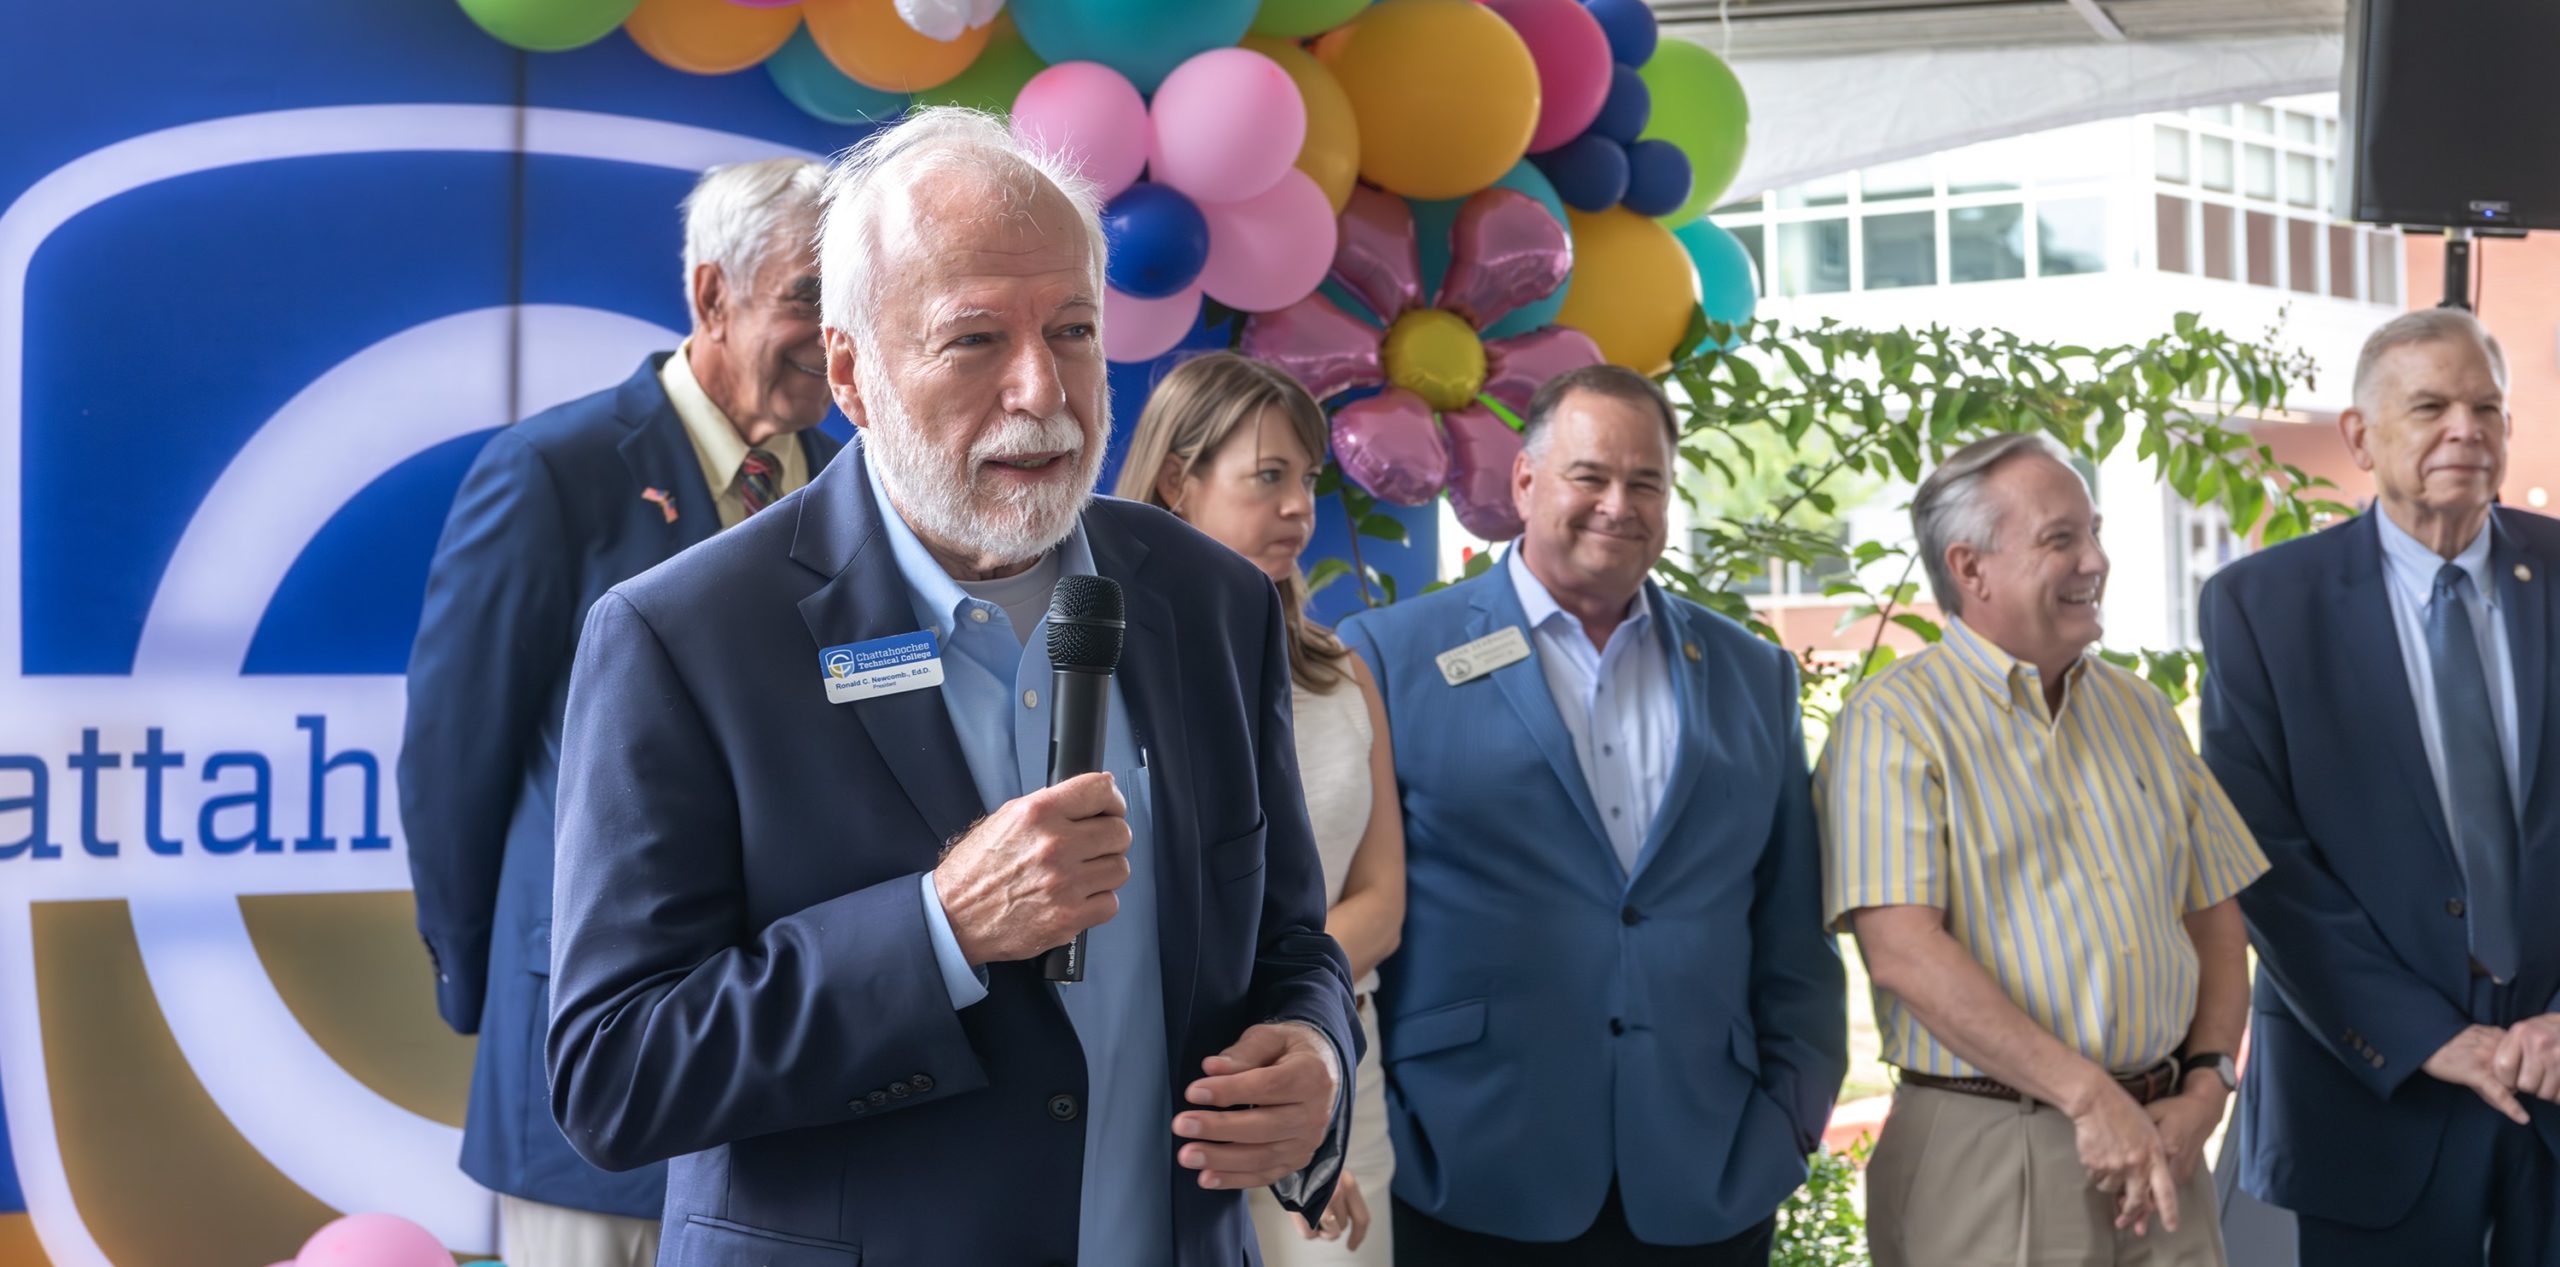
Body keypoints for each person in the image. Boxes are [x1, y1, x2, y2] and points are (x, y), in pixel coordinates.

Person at [542, 107, 1357, 1266]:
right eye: (974, 339)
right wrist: (939, 931)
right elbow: (615, 1072)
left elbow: (1288, 935)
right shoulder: (683, 637)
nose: (1042, 390)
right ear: (852, 372)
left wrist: (1313, 1050)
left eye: (1073, 329)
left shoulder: (1210, 601)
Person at [399, 156, 838, 1266]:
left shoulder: (853, 490)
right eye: (806, 297)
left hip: (799, 1063)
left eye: (856, 299)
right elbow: (455, 763)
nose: (836, 334)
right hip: (590, 1056)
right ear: (711, 296)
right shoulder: (555, 474)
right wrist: (487, 988)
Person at [1336, 364, 1846, 1265]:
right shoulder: (1390, 656)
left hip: (1708, 1176)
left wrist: (1789, 1126)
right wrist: (1382, 1128)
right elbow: (1345, 912)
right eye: (1591, 475)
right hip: (1467, 1168)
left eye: (1646, 481)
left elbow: (1792, 928)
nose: (1619, 503)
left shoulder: (1750, 673)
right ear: (1525, 481)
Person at [1819, 431, 2267, 1267]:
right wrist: (2089, 1098)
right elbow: (1904, 954)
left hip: (2163, 1145)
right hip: (1996, 1146)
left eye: (2093, 532)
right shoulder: (1893, 722)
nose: (2095, 559)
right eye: (2060, 539)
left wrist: (2207, 1086)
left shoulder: (2139, 710)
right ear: (1970, 567)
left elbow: (2215, 916)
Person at [2200, 308, 2560, 1265]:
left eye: (2487, 406)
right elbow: (2261, 854)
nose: (2466, 430)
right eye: (2432, 406)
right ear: (2359, 436)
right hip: (2368, 1096)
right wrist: (2423, 1037)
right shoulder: (2261, 607)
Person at [1115, 351, 1406, 1264]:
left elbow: (1382, 899)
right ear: (1177, 478)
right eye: (1268, 476)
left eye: (1307, 480)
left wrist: (1304, 1054)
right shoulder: (1105, 668)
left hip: (1335, 1072)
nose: (1298, 508)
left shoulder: (1344, 668)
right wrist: (1253, 1076)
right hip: (1179, 1087)